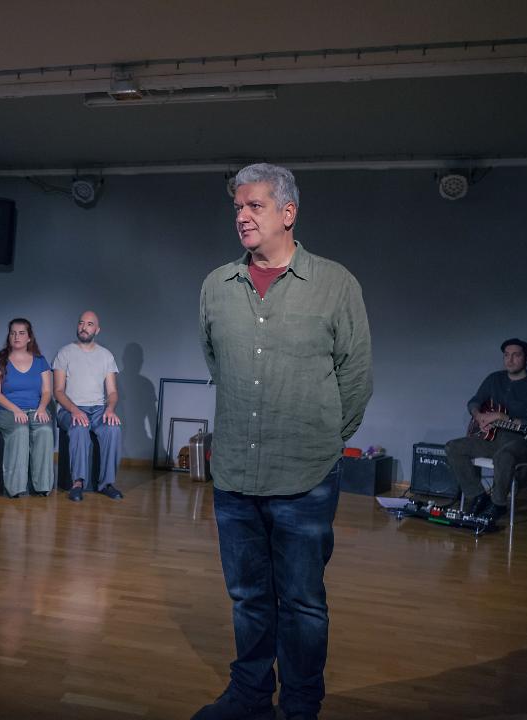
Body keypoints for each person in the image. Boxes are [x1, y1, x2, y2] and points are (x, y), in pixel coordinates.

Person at [195, 163, 372, 720]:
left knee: (302, 603)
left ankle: (300, 706)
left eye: (255, 206)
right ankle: (250, 696)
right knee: (248, 598)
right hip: (235, 476)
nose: (243, 217)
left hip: (306, 476)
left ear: (288, 212)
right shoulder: (217, 286)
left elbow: (356, 376)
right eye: (238, 208)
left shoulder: (336, 284)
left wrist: (325, 442)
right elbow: (217, 362)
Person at [444, 338, 527, 521]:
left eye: (516, 355)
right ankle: (477, 496)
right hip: (493, 439)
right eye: (506, 355)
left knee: (504, 455)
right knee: (453, 447)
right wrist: (478, 415)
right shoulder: (494, 379)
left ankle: (498, 504)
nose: (510, 360)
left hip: (524, 442)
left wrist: (502, 417)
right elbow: (474, 401)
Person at [53, 310, 124, 502]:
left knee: (113, 429)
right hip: (70, 408)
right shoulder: (64, 353)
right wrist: (75, 410)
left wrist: (110, 409)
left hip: (98, 409)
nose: (84, 327)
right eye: (81, 323)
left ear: (97, 330)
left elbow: (112, 392)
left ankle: (107, 484)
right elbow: (58, 391)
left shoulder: (106, 356)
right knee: (79, 427)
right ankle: (77, 483)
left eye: (89, 324)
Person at [0, 318, 54, 497]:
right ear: (9, 336)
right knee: (20, 431)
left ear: (29, 337)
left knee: (45, 431)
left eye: (21, 333)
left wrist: (42, 408)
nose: (16, 336)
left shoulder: (40, 361)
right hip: (7, 410)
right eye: (13, 333)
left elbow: (47, 391)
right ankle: (15, 488)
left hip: (35, 409)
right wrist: (15, 410)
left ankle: (42, 486)